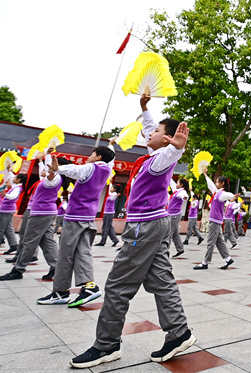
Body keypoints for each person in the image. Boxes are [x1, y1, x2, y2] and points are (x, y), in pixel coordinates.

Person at [70, 114, 196, 368]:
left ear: (168, 138)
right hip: (152, 224)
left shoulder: (161, 159)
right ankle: (179, 333)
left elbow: (169, 154)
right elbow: (153, 134)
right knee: (160, 280)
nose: (149, 133)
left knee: (118, 285)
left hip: (144, 227)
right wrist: (144, 107)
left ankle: (106, 345)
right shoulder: (151, 156)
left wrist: (177, 147)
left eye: (157, 131)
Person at [38, 144, 114, 308]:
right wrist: (112, 145)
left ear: (98, 157)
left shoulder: (90, 168)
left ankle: (60, 292)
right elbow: (108, 158)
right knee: (82, 251)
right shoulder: (107, 170)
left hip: (75, 217)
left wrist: (59, 168)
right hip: (88, 216)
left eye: (92, 154)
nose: (89, 157)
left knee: (65, 254)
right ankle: (89, 286)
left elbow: (75, 170)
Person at [0, 154, 62, 281]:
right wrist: (45, 155)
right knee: (47, 240)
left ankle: (18, 270)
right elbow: (45, 172)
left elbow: (51, 178)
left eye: (46, 168)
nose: (43, 169)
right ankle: (56, 268)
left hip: (41, 213)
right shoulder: (45, 179)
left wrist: (50, 165)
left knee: (29, 241)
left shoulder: (52, 179)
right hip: (45, 213)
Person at [194, 170, 235, 270]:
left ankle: (205, 262)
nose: (216, 183)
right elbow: (211, 185)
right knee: (219, 242)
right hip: (215, 221)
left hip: (215, 221)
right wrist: (205, 175)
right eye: (216, 182)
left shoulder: (222, 194)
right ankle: (228, 258)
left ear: (222, 184)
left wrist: (232, 197)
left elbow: (229, 195)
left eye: (217, 182)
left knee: (210, 242)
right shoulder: (217, 193)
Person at [165, 179, 188, 258]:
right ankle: (180, 249)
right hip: (172, 214)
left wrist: (185, 197)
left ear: (181, 185)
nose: (176, 184)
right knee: (175, 233)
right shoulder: (176, 191)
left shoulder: (181, 192)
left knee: (169, 233)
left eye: (178, 182)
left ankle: (165, 253)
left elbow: (184, 195)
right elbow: (171, 183)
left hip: (174, 215)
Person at [96, 183, 120, 247]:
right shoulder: (111, 194)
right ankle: (115, 240)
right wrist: (111, 181)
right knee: (109, 227)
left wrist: (116, 195)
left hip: (109, 213)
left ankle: (102, 241)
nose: (111, 188)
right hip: (107, 213)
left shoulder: (114, 195)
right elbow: (110, 189)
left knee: (105, 227)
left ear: (115, 189)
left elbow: (112, 198)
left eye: (112, 187)